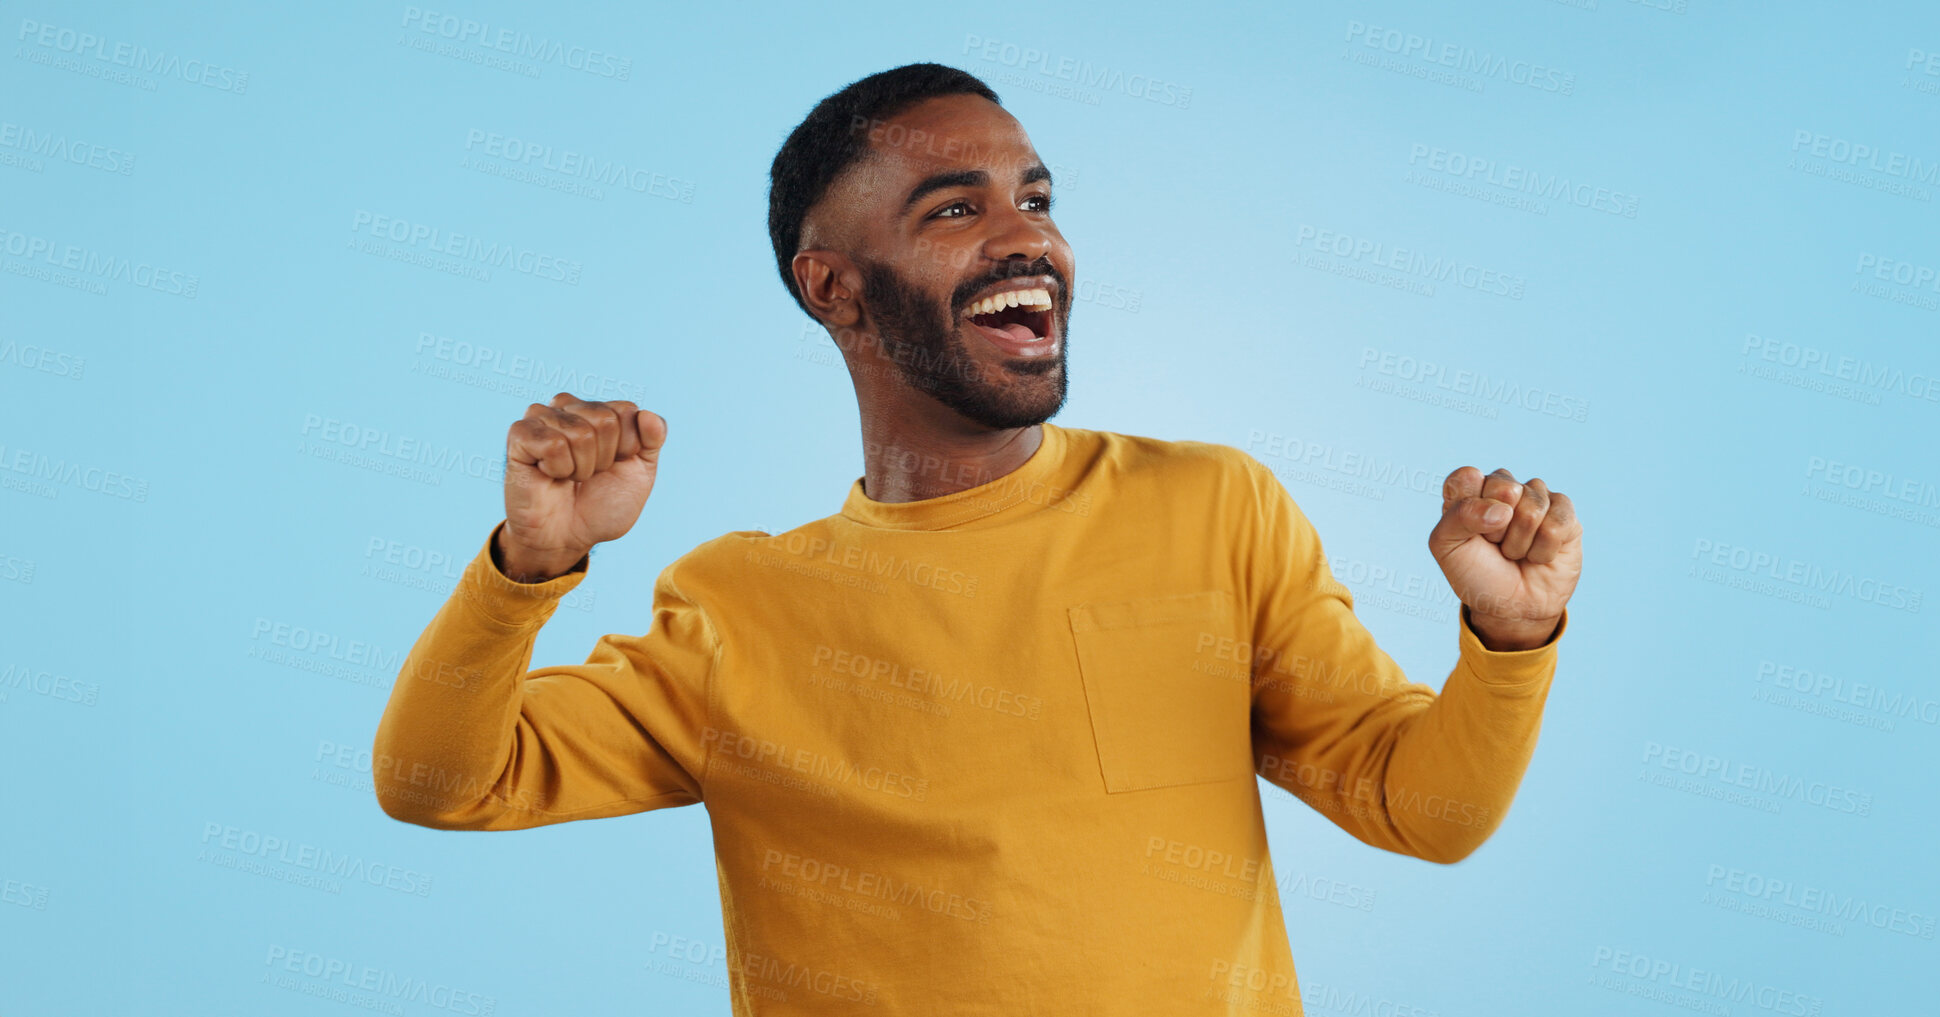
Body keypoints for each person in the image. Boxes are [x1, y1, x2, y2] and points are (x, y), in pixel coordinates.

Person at [372, 62, 1582, 1016]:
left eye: (1037, 200)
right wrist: (529, 573)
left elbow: (1423, 811)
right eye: (956, 208)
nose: (1029, 240)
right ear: (834, 288)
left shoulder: (1215, 510)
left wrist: (1511, 638)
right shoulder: (737, 604)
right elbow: (439, 783)